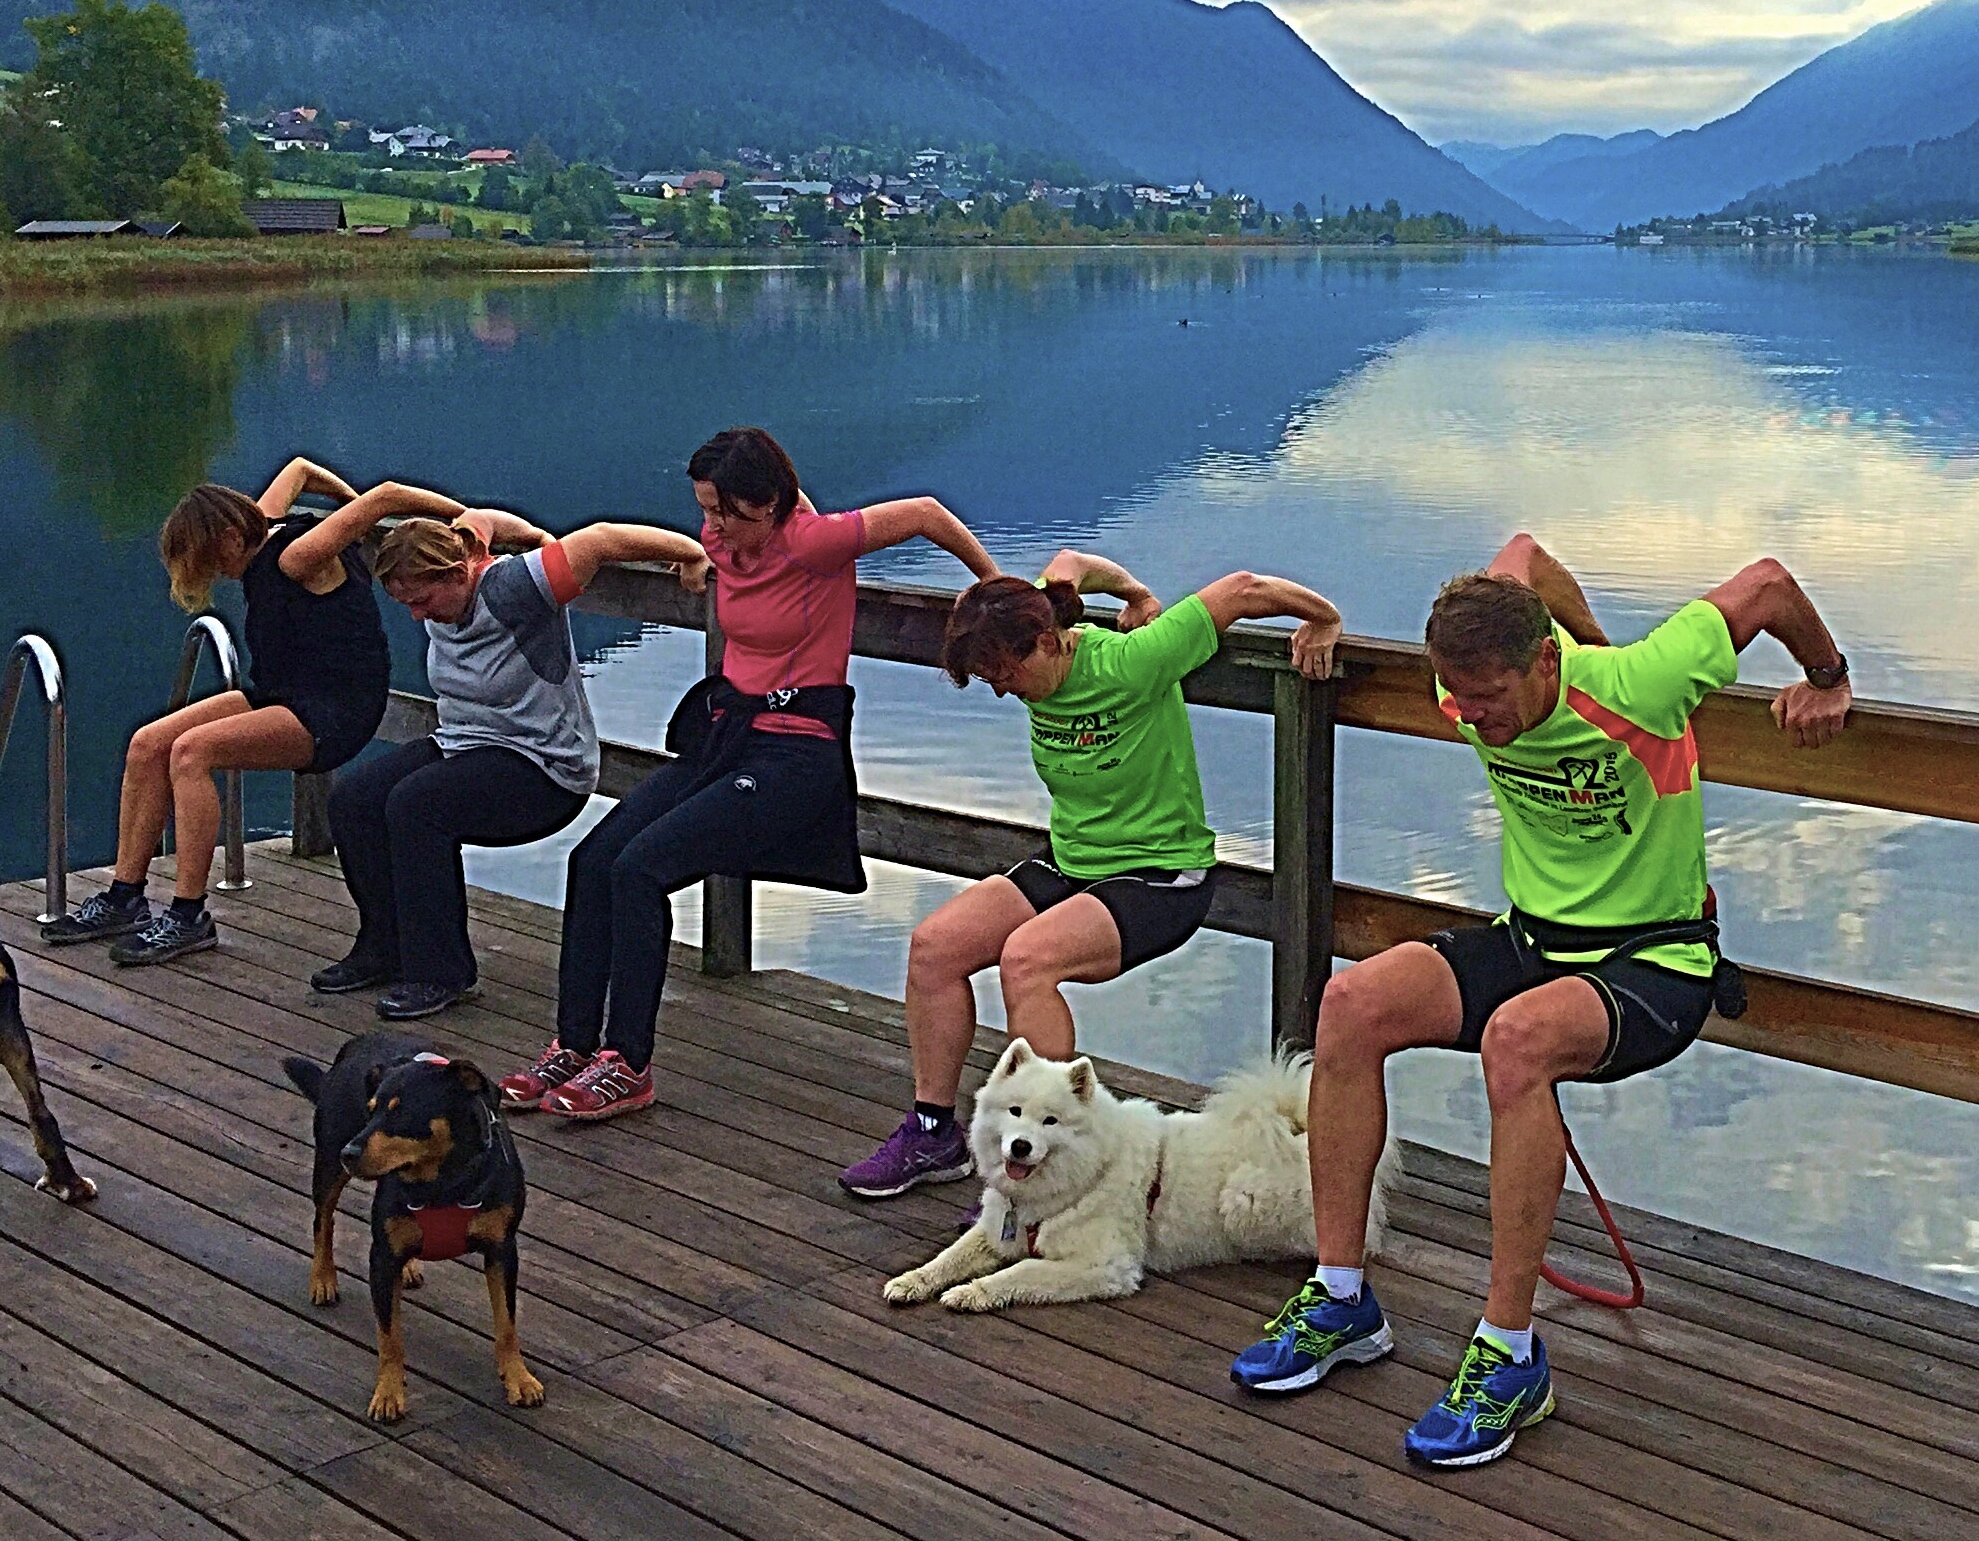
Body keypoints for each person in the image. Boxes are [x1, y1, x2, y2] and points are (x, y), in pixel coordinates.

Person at [1229, 531, 1852, 1467]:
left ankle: (1511, 1354)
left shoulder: (1642, 682)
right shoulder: (1467, 685)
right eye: (1459, 696)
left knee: (1516, 1040)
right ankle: (1342, 1296)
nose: (1473, 716)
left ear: (1545, 662)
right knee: (1351, 1004)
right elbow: (1520, 553)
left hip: (1655, 964)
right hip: (1536, 942)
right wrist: (1573, 627)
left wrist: (1826, 677)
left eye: (1490, 696)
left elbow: (1766, 586)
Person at [501, 428, 997, 1123]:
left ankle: (628, 1064)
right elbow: (697, 545)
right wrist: (695, 558)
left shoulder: (814, 542)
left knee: (640, 870)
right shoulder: (724, 541)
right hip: (727, 739)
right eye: (705, 509)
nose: (712, 526)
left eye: (725, 512)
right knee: (593, 861)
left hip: (794, 752)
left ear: (768, 504)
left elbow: (925, 514)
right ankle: (574, 1045)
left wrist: (991, 587)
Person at [838, 551, 1344, 1197]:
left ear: (1048, 643)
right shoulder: (1036, 613)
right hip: (1073, 861)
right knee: (934, 947)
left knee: (1027, 959)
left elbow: (1244, 588)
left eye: (1007, 672)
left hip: (1160, 874)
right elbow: (1072, 563)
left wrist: (1323, 618)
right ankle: (934, 1135)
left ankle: (1048, 1168)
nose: (1003, 689)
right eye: (990, 679)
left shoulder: (1135, 661)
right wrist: (1134, 591)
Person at [317, 506, 711, 1021]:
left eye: (422, 600)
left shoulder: (516, 588)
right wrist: (531, 532)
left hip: (544, 765)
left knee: (415, 806)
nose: (416, 615)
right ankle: (384, 948)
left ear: (458, 574)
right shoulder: (461, 550)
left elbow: (601, 539)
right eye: (406, 603)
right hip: (466, 743)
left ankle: (441, 972)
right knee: (354, 800)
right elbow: (476, 517)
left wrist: (690, 552)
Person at [52, 458, 451, 966]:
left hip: (336, 709)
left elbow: (388, 495)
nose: (217, 574)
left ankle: (188, 915)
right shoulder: (259, 526)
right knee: (148, 743)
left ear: (229, 536)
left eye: (213, 559)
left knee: (192, 752)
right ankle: (124, 897)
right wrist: (346, 506)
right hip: (282, 691)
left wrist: (465, 521)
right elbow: (301, 470)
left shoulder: (299, 554)